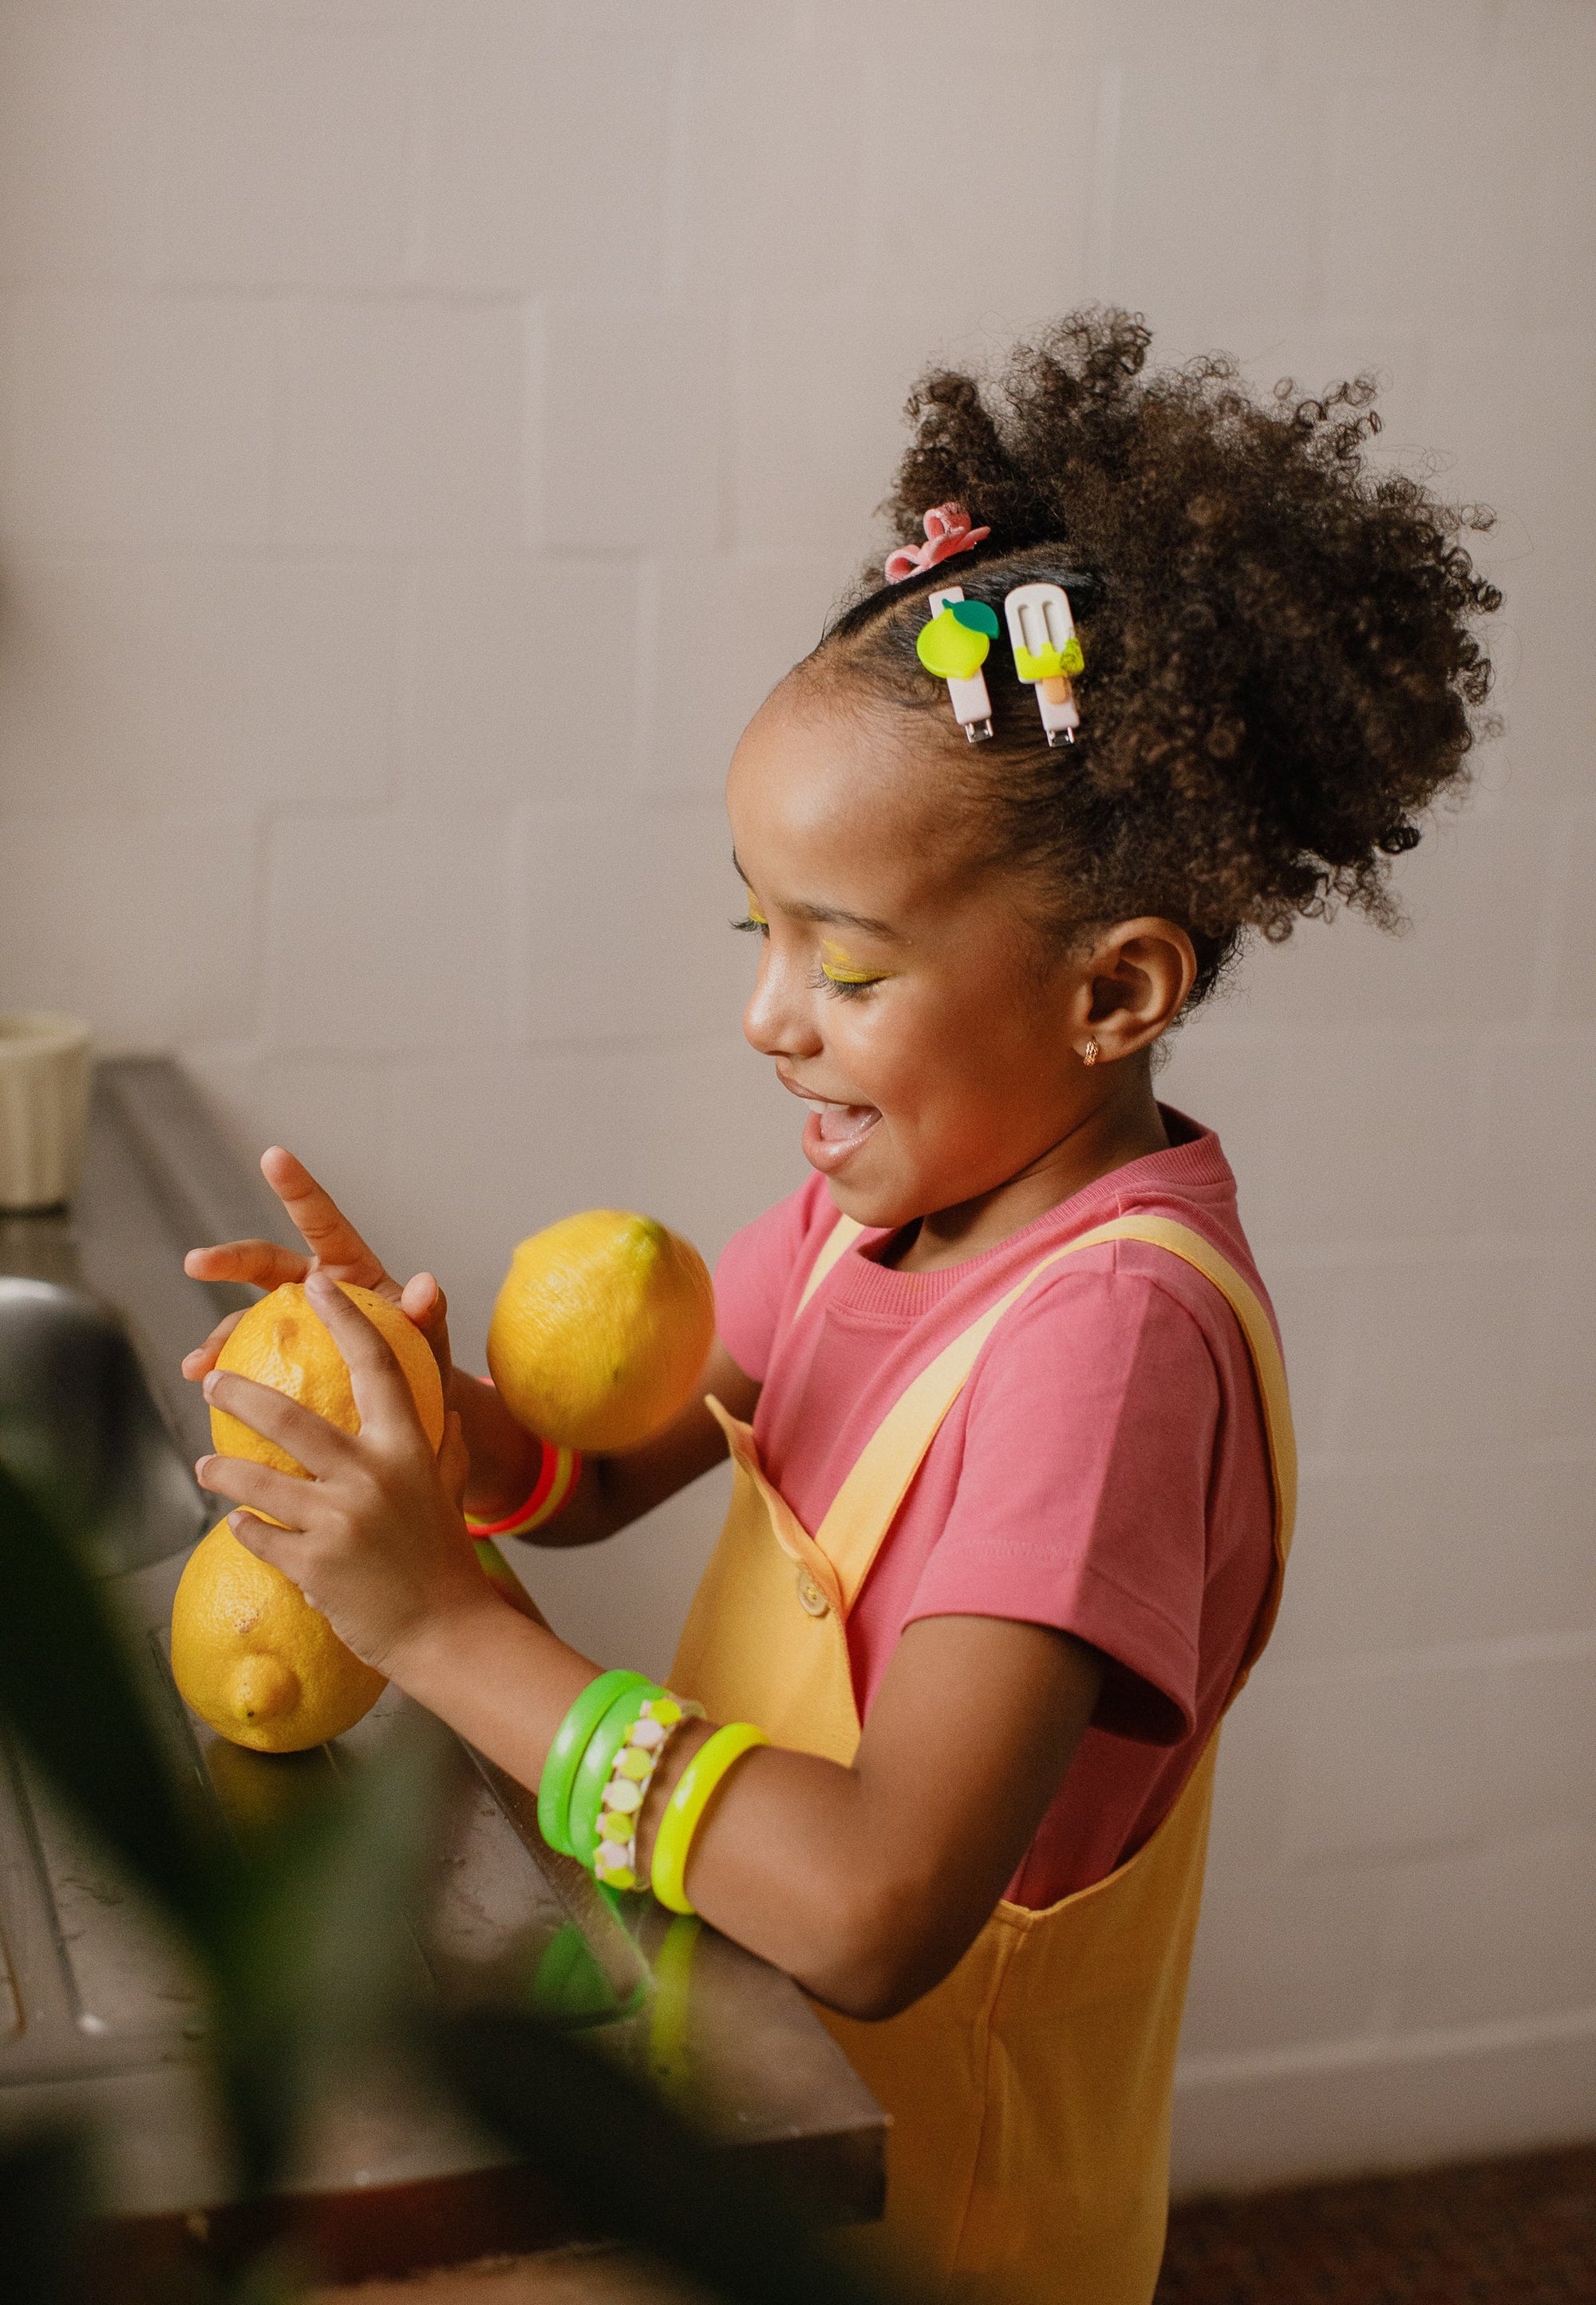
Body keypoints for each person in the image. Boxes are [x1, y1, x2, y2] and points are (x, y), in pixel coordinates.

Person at [184, 314, 1499, 2305]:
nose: (765, 1014)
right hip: (751, 2136)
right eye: (756, 927)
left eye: (846, 964)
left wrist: (434, 1626)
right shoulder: (876, 1219)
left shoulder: (1109, 1347)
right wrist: (428, 1423)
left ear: (1113, 993)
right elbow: (595, 1474)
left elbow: (879, 1907)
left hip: (928, 2238)